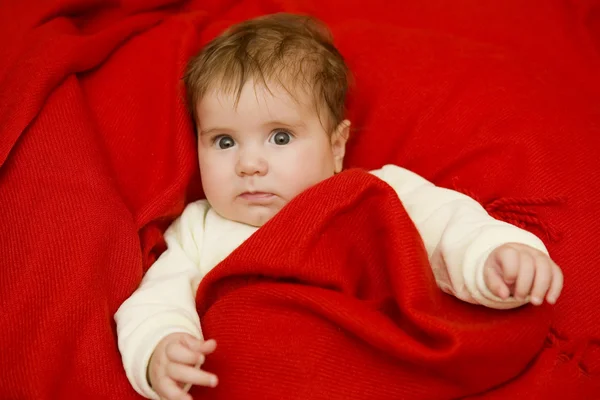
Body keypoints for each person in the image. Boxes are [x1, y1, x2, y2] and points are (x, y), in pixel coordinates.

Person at [114, 12, 564, 400]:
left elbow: (453, 225)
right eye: (224, 141)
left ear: (336, 145)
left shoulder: (371, 192)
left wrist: (495, 256)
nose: (249, 164)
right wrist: (161, 349)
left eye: (281, 137)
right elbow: (156, 299)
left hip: (365, 361)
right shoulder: (198, 228)